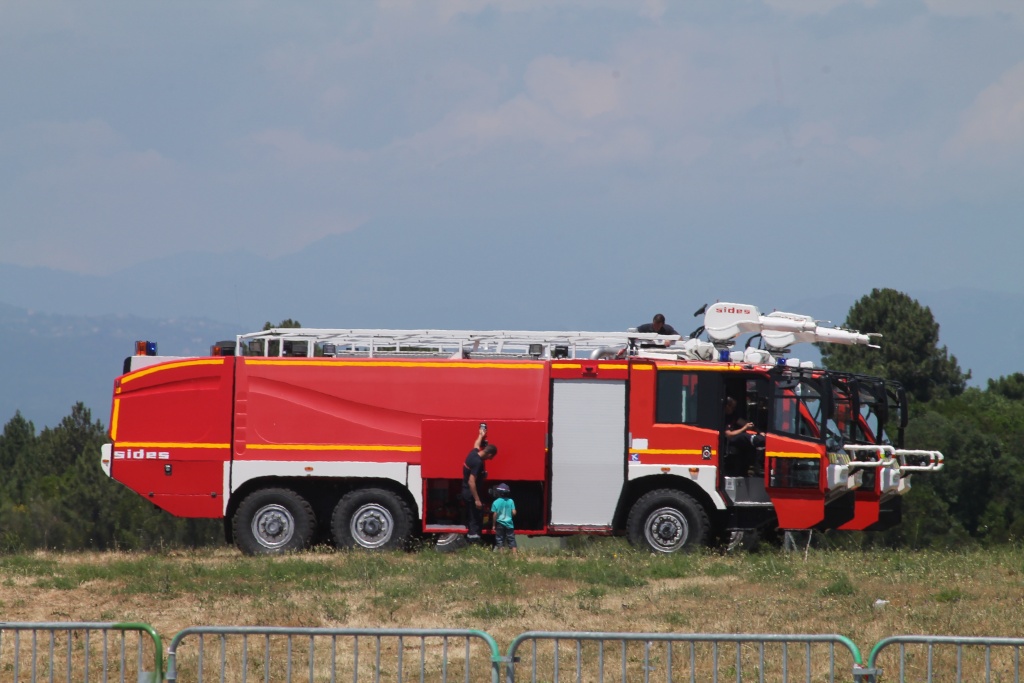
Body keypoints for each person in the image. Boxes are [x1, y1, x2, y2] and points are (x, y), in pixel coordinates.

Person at [462, 424, 498, 543]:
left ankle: (472, 537)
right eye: (492, 457)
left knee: (472, 515)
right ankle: (474, 540)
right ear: (489, 454)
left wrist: (481, 435)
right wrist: (477, 499)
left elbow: (476, 444)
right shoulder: (478, 463)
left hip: (466, 491)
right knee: (475, 517)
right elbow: (471, 481)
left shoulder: (473, 453)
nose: (492, 459)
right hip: (471, 493)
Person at [490, 483, 517, 553]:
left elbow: (495, 514)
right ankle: (514, 555)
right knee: (511, 538)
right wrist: (510, 516)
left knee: (499, 539)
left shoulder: (496, 502)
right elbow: (514, 512)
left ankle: (501, 555)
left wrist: (493, 525)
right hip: (509, 523)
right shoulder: (511, 501)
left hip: (500, 523)